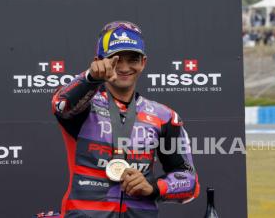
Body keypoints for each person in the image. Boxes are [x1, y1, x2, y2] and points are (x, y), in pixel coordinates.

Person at [52, 21, 199, 218]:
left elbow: (190, 182)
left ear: (143, 63)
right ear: (99, 60)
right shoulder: (83, 106)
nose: (124, 67)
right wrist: (90, 78)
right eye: (115, 59)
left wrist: (153, 187)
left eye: (133, 59)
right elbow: (60, 105)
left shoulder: (164, 117)